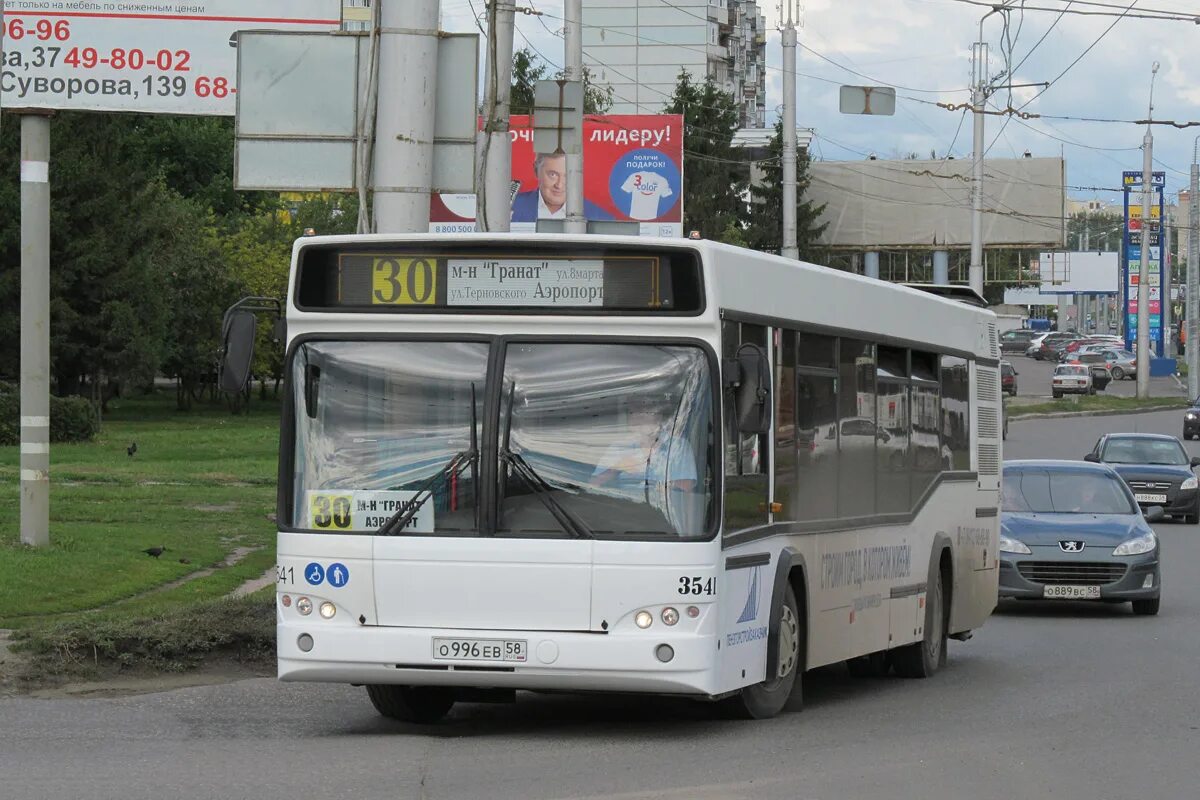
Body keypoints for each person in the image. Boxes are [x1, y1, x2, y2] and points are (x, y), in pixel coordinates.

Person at [590, 399, 698, 497]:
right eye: (634, 412)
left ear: (659, 416)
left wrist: (661, 484)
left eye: (648, 411)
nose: (640, 416)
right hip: (623, 508)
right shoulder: (620, 447)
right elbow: (593, 484)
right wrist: (616, 468)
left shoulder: (678, 446)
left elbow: (687, 489)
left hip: (663, 512)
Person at [511, 152, 613, 223]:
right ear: (536, 170)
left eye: (567, 176)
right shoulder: (509, 208)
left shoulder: (601, 218)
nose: (559, 185)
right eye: (553, 175)